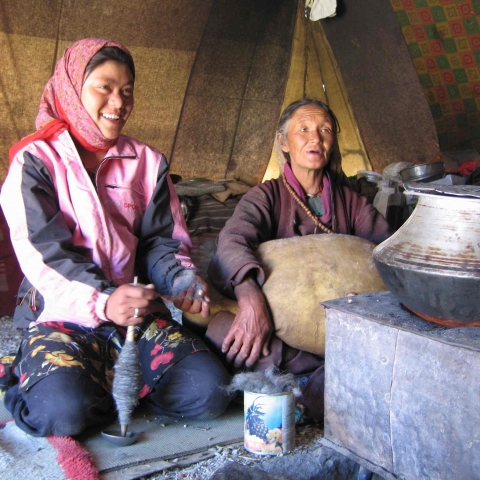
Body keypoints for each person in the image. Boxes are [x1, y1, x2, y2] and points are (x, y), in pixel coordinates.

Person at [0, 38, 231, 437]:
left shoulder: (147, 162)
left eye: (127, 91)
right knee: (61, 414)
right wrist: (104, 301)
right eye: (104, 87)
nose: (118, 102)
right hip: (61, 312)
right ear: (73, 88)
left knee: (210, 392)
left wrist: (180, 278)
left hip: (133, 316)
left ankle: (100, 382)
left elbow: (163, 241)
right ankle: (38, 379)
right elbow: (44, 253)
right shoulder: (37, 161)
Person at [206, 98, 392, 421]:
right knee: (223, 329)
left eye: (324, 130)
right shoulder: (266, 196)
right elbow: (232, 241)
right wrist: (250, 299)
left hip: (341, 331)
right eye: (303, 129)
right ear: (283, 142)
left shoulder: (352, 203)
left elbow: (387, 251)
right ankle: (322, 381)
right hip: (282, 334)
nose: (315, 138)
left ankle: (313, 384)